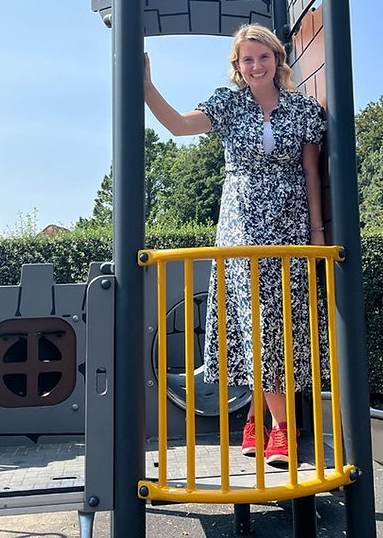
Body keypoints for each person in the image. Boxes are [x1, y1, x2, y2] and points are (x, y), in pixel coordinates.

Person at [144, 23, 325, 467]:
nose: (256, 65)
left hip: (289, 225)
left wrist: (317, 232)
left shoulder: (302, 109)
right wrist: (146, 86)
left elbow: (311, 173)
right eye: (247, 59)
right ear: (237, 66)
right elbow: (179, 126)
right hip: (241, 225)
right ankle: (282, 430)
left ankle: (256, 420)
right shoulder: (227, 103)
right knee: (253, 321)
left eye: (263, 56)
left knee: (283, 322)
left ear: (277, 59)